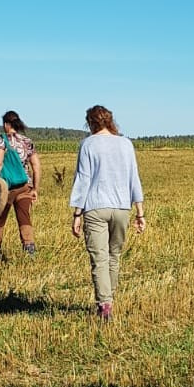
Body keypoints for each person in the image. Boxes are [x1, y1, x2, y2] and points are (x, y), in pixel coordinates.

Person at [69, 105, 145, 321]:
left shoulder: (87, 144)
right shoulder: (125, 143)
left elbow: (83, 179)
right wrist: (140, 212)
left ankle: (105, 304)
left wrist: (77, 214)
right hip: (122, 207)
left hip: (95, 207)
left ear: (90, 123)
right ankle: (108, 299)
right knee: (114, 257)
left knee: (99, 259)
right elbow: (134, 178)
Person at [0, 110, 42, 261]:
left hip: (6, 188)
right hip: (25, 186)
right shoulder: (27, 141)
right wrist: (35, 188)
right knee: (24, 218)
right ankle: (29, 253)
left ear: (6, 124)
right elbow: (36, 166)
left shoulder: (2, 140)